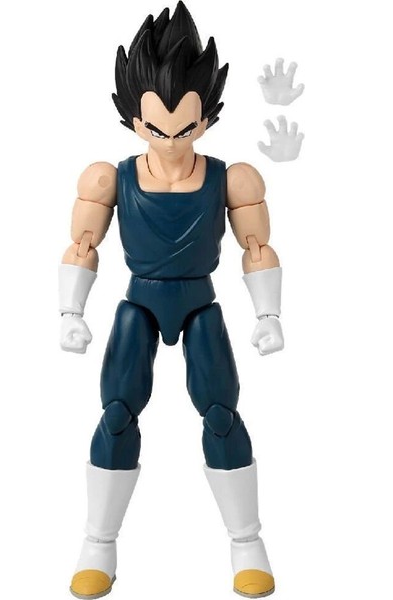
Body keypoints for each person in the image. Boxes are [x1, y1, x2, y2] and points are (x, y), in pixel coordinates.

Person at [59, 2, 284, 598]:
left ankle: (247, 542)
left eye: (185, 129)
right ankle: (98, 543)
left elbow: (257, 245)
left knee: (222, 414)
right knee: (116, 413)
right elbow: (82, 243)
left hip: (201, 303)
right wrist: (70, 310)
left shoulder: (232, 178)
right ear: (133, 119)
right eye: (157, 130)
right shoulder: (109, 177)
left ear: (206, 118)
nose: (171, 142)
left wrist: (268, 313)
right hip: (139, 302)